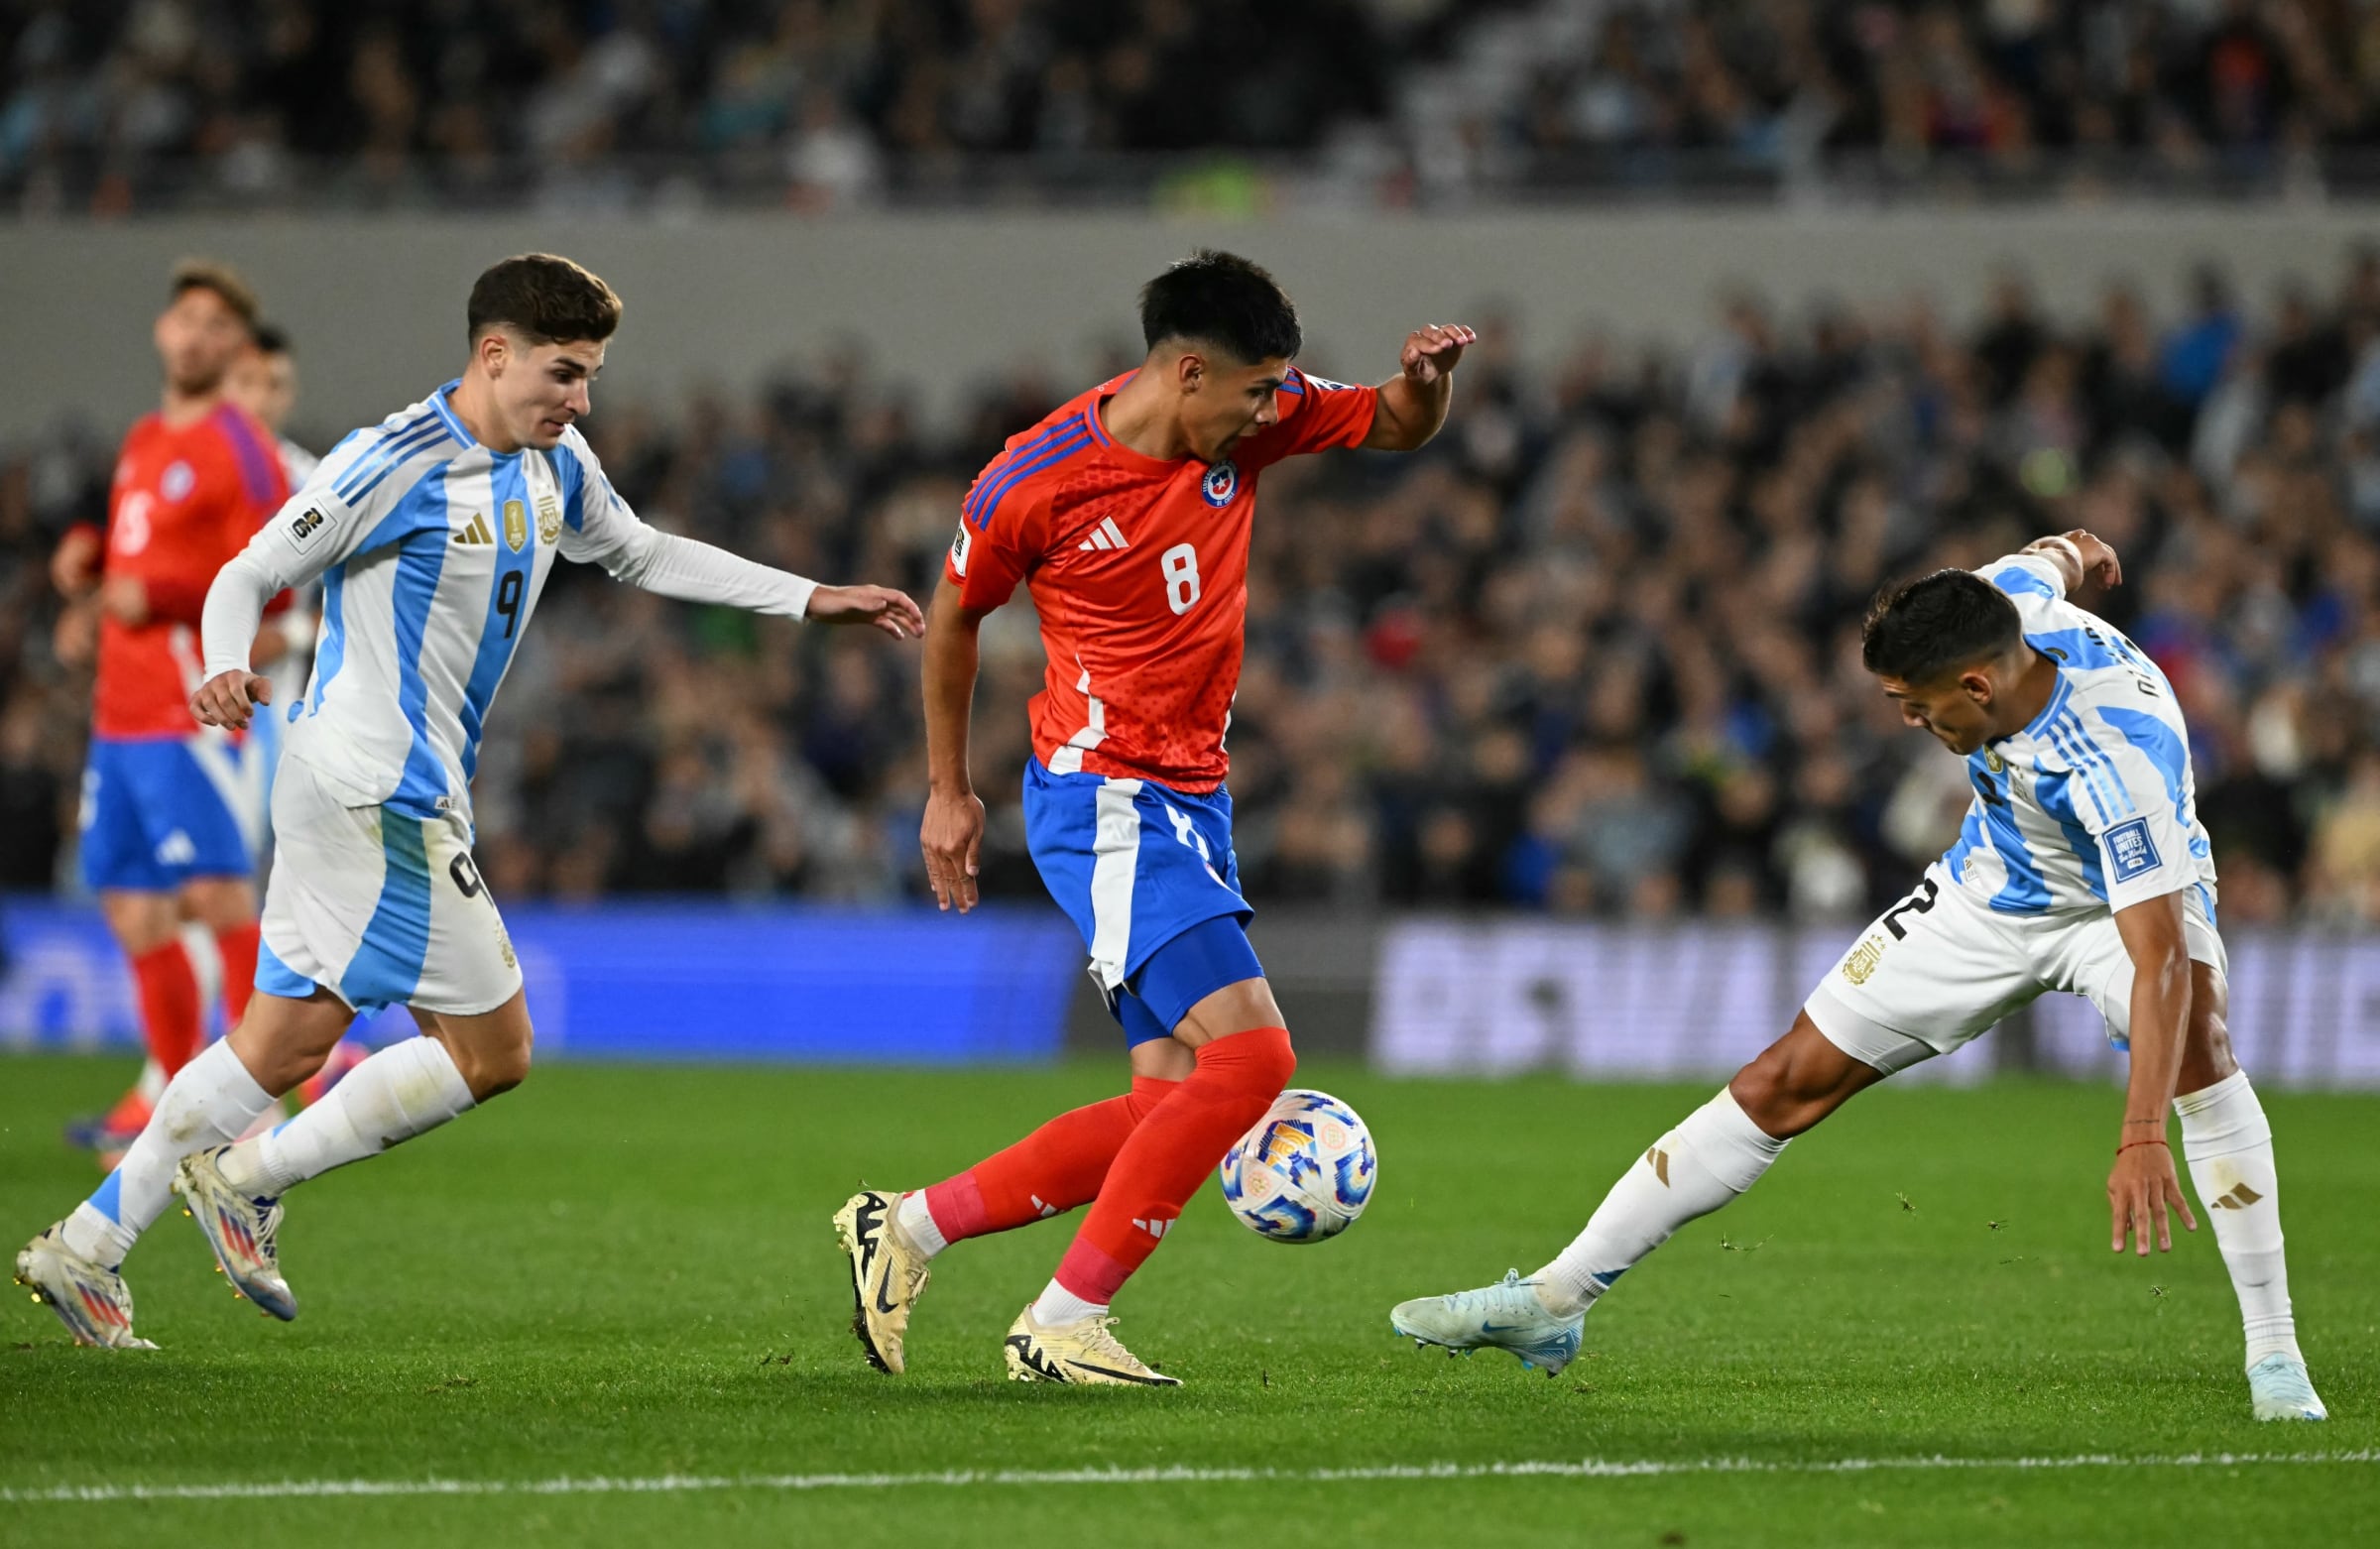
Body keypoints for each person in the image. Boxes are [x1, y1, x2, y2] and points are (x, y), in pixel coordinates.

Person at [14, 252, 924, 1348]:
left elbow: (639, 552)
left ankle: (88, 1245)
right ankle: (250, 1175)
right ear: (494, 355)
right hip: (375, 790)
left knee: (278, 1044)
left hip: (367, 788)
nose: (580, 398)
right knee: (495, 1051)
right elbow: (246, 574)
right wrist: (218, 661)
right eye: (562, 372)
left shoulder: (557, 462)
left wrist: (809, 597)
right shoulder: (392, 462)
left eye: (588, 375)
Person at [1387, 531, 2327, 1425]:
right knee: (1783, 1079)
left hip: (2121, 910)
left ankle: (2275, 1352)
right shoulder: (2004, 603)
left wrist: (2139, 1134)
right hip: (1986, 896)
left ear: (1975, 681)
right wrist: (2083, 547)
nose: (1913, 722)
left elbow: (2159, 956)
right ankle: (1557, 1297)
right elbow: (2055, 555)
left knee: (2199, 1048)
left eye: (1918, 706)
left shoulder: (2118, 764)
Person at [836, 250, 1473, 1386]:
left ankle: (910, 1226)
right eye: (1256, 389)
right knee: (1257, 1054)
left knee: (1168, 1103)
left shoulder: (1251, 425)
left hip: (1190, 795)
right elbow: (952, 619)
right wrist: (946, 788)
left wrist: (1425, 384)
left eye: (1281, 388)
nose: (1275, 408)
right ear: (1187, 372)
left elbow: (1389, 423)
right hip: (1107, 799)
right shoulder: (1033, 479)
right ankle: (1063, 1318)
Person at [53, 260, 291, 1162]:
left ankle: (260, 1091)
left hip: (185, 710)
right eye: (183, 319)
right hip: (117, 716)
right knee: (132, 907)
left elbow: (271, 573)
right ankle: (176, 1088)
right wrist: (86, 574)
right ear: (165, 331)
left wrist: (150, 592)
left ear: (232, 348)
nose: (194, 336)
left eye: (214, 325)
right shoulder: (147, 437)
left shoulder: (241, 449)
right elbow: (124, 552)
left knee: (215, 894)